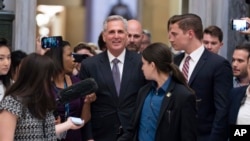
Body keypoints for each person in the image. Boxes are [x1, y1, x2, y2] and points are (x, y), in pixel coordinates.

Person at [79, 15, 146, 141]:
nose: (116, 36)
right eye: (111, 32)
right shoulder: (89, 65)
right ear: (104, 36)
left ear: (126, 35)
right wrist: (88, 137)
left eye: (120, 32)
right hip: (100, 135)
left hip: (134, 133)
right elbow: (84, 103)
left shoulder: (141, 62)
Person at [168, 13, 233, 141]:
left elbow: (222, 110)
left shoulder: (218, 64)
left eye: (175, 34)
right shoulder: (175, 61)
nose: (170, 39)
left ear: (190, 34)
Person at [0, 53, 87, 140]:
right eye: (48, 76)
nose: (51, 80)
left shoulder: (42, 100)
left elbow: (45, 132)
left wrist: (68, 124)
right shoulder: (12, 102)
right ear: (37, 76)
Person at [129, 42, 197, 141]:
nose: (142, 68)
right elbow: (133, 128)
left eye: (143, 64)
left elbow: (188, 136)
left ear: (152, 65)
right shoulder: (143, 92)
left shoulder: (182, 96)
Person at [45, 41, 96, 141]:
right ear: (58, 58)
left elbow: (83, 120)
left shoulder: (77, 82)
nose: (74, 59)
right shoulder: (44, 85)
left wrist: (87, 102)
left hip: (75, 136)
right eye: (69, 55)